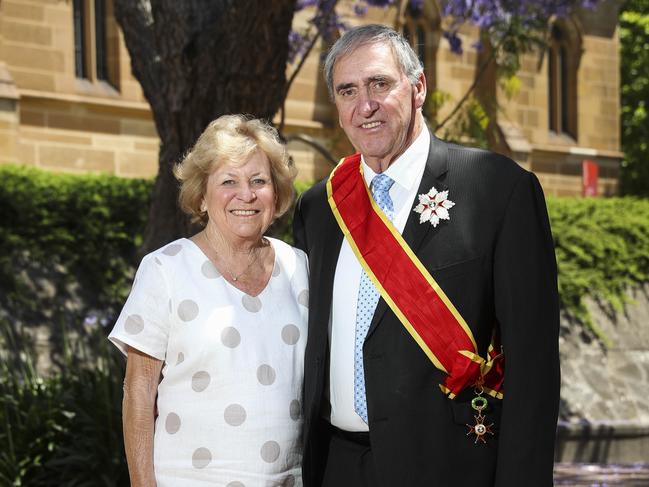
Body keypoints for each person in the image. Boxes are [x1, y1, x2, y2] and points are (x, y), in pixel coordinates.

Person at [293, 24, 560, 487]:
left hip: (449, 467)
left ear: (418, 87)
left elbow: (532, 369)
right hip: (335, 467)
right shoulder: (318, 207)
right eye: (348, 90)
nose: (366, 105)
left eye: (380, 84)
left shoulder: (498, 190)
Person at [109, 115, 308, 487]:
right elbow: (138, 394)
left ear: (276, 193)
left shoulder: (300, 269)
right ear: (201, 194)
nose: (245, 195)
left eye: (259, 181)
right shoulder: (165, 270)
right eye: (228, 181)